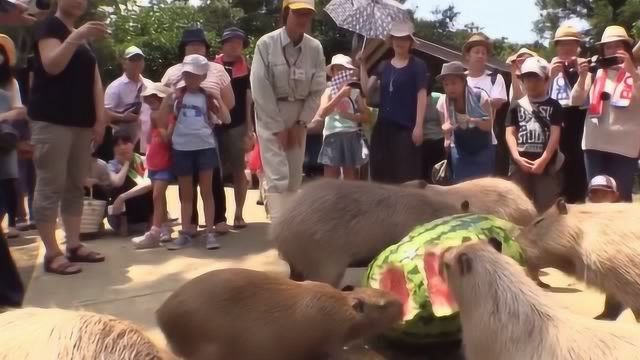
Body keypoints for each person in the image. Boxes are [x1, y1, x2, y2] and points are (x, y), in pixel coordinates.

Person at [28, 0, 108, 275]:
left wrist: (100, 119)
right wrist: (76, 36)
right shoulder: (48, 26)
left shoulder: (84, 38)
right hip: (51, 119)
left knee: (76, 184)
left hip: (81, 122)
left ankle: (74, 244)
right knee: (50, 186)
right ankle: (52, 253)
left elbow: (95, 81)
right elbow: (52, 65)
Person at [250, 0, 326, 220]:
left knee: (294, 177)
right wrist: (276, 126)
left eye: (307, 14)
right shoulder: (266, 43)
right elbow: (260, 87)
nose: (303, 19)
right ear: (286, 13)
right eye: (298, 13)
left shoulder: (315, 48)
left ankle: (287, 223)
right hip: (271, 111)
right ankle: (278, 228)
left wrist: (301, 123)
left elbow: (318, 88)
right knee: (278, 175)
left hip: (300, 113)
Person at [162, 27, 234, 235]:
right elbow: (160, 101)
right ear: (183, 48)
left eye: (200, 44)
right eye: (191, 44)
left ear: (206, 48)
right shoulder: (173, 72)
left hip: (210, 129)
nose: (195, 47)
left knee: (212, 178)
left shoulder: (217, 69)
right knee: (186, 180)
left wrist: (215, 102)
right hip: (180, 132)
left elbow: (230, 102)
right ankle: (190, 223)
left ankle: (218, 219)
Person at [571, 25, 640, 203]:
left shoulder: (636, 73)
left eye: (619, 45)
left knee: (622, 199)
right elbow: (575, 100)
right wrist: (582, 76)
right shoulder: (595, 72)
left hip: (625, 148)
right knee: (596, 198)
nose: (614, 50)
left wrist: (632, 71)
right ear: (603, 50)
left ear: (626, 48)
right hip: (594, 145)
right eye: (609, 46)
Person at [359, 21, 428, 184]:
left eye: (404, 38)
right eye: (396, 38)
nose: (400, 42)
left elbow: (422, 94)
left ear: (410, 42)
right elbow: (366, 90)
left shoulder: (418, 65)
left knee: (405, 176)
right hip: (383, 128)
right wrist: (362, 65)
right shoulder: (383, 66)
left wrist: (419, 126)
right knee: (380, 174)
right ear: (391, 41)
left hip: (406, 128)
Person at [505, 57, 563, 212]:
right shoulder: (516, 105)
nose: (531, 83)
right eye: (527, 78)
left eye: (536, 78)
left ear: (546, 79)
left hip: (546, 165)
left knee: (547, 206)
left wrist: (544, 160)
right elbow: (510, 133)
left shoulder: (554, 105)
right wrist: (517, 157)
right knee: (518, 207)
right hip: (519, 164)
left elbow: (555, 134)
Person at [213, 27, 253, 228]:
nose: (235, 45)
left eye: (239, 41)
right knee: (214, 172)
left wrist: (249, 128)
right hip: (215, 124)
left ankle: (239, 213)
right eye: (231, 41)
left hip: (238, 124)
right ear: (223, 43)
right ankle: (217, 216)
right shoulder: (212, 66)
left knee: (239, 170)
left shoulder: (246, 67)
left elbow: (248, 99)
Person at [312, 54, 370, 180]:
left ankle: (349, 199)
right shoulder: (328, 92)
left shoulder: (355, 92)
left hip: (351, 135)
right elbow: (322, 113)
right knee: (331, 176)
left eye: (344, 69)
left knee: (350, 176)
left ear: (349, 73)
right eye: (338, 69)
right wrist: (339, 95)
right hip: (332, 135)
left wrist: (349, 116)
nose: (341, 73)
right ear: (332, 72)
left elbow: (366, 117)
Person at [131, 83, 175, 249]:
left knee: (157, 196)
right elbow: (149, 141)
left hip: (165, 163)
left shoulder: (170, 117)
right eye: (148, 100)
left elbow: (167, 140)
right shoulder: (152, 117)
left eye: (154, 99)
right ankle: (164, 228)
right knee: (159, 198)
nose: (150, 102)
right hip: (154, 162)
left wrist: (159, 123)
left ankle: (155, 232)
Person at [549, 25, 588, 204]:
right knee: (558, 177)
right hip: (555, 130)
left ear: (578, 46)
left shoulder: (586, 68)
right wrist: (549, 77)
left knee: (578, 174)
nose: (567, 48)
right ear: (557, 47)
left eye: (571, 44)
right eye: (563, 44)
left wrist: (582, 75)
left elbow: (579, 100)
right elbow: (538, 98)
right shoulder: (548, 68)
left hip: (580, 127)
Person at [436, 61, 494, 183]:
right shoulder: (445, 101)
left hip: (482, 148)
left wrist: (472, 120)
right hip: (460, 149)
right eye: (446, 84)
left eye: (453, 83)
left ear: (463, 81)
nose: (450, 88)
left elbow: (488, 126)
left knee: (482, 188)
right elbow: (446, 125)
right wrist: (446, 134)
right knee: (460, 187)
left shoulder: (480, 97)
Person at [463, 34, 506, 177]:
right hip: (461, 136)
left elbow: (497, 103)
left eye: (484, 52)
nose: (480, 55)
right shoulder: (459, 79)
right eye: (476, 52)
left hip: (487, 137)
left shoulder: (495, 78)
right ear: (468, 55)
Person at [102, 46, 151, 157]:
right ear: (124, 63)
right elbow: (104, 113)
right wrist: (124, 117)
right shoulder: (115, 87)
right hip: (124, 140)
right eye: (132, 60)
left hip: (146, 140)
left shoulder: (149, 85)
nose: (136, 63)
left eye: (139, 59)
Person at [0, 34, 26, 239]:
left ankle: (13, 222)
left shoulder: (11, 82)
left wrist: (2, 116)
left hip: (4, 138)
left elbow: (19, 110)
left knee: (8, 179)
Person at [105, 132, 154, 236]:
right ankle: (124, 226)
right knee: (123, 180)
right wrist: (126, 164)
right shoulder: (111, 165)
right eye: (118, 145)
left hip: (142, 217)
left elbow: (149, 184)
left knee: (156, 183)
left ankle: (152, 223)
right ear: (113, 149)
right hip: (119, 218)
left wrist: (122, 197)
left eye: (125, 143)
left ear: (132, 145)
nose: (122, 147)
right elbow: (117, 182)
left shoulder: (143, 160)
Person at [422, 76, 446, 183]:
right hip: (422, 141)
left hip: (438, 140)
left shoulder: (439, 99)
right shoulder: (412, 101)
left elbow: (445, 123)